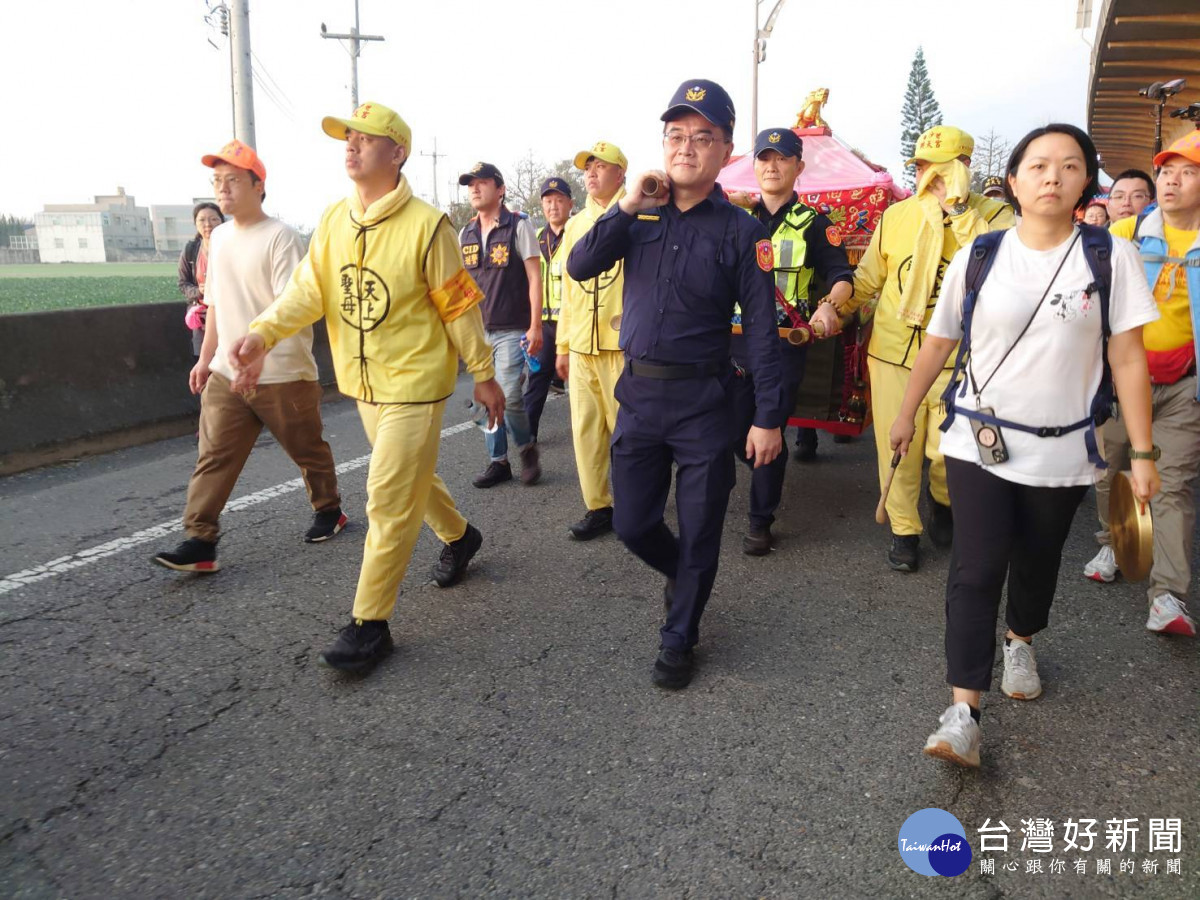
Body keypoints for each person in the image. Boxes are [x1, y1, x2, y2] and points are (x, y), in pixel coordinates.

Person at [889, 124, 1160, 768]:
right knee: (976, 566)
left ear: (1084, 182)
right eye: (1037, 165)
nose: (1052, 177)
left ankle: (1021, 637)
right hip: (977, 438)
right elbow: (939, 341)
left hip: (1066, 449)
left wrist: (1144, 455)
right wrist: (906, 413)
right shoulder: (980, 254)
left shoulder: (1109, 257)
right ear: (1012, 179)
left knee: (1037, 561)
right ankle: (963, 712)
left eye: (1070, 166)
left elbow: (1127, 359)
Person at [227, 102, 504, 673]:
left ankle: (369, 623)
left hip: (415, 383)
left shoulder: (429, 226)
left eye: (366, 138)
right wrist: (259, 335)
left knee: (386, 495)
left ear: (397, 152)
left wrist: (482, 372)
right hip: (365, 384)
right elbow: (308, 293)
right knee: (410, 476)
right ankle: (459, 536)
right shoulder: (333, 221)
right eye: (347, 138)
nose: (351, 146)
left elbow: (456, 306)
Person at [568, 79, 783, 690]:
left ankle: (679, 635)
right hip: (638, 397)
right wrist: (626, 205)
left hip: (704, 406)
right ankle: (684, 577)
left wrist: (768, 417)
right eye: (676, 136)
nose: (686, 147)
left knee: (701, 527)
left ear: (726, 148)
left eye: (702, 137)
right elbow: (581, 265)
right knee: (633, 523)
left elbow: (764, 333)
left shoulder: (743, 233)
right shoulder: (639, 215)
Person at [153, 141, 346, 574]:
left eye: (233, 180)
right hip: (226, 371)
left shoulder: (282, 237)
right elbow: (217, 305)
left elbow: (292, 306)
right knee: (214, 455)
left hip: (282, 373)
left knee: (308, 450)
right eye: (216, 182)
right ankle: (200, 540)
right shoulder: (217, 238)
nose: (222, 189)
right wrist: (206, 359)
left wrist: (260, 354)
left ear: (259, 186)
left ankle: (329, 509)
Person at [848, 125, 1015, 573]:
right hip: (893, 352)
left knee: (948, 452)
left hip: (962, 358)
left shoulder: (997, 218)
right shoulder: (898, 216)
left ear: (962, 168)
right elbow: (868, 280)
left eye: (936, 168)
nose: (927, 177)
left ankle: (944, 499)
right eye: (920, 167)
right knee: (897, 447)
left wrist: (959, 213)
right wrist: (835, 305)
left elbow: (1001, 272)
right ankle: (904, 529)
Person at [1084, 130, 1200, 637]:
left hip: (1183, 386)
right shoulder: (1124, 233)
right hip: (1119, 378)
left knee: (1170, 484)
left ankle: (1168, 596)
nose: (1172, 181)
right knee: (1109, 468)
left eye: (1188, 172)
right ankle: (1113, 540)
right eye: (1166, 172)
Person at [732, 127, 850, 554]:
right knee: (732, 427)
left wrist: (829, 306)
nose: (772, 166)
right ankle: (771, 457)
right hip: (734, 341)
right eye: (764, 158)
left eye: (781, 158)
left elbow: (841, 275)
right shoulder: (736, 221)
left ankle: (760, 519)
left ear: (799, 167)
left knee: (768, 423)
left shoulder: (815, 224)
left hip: (784, 343)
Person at [556, 140, 629, 541]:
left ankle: (636, 503)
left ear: (621, 172)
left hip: (623, 346)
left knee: (629, 433)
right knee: (585, 430)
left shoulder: (638, 214)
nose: (591, 173)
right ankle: (598, 505)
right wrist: (562, 345)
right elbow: (568, 289)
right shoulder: (576, 225)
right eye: (588, 167)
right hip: (583, 344)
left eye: (601, 166)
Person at [458, 162, 543, 488]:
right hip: (478, 331)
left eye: (482, 183)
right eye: (470, 185)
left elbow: (535, 279)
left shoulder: (519, 225)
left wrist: (535, 326)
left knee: (509, 394)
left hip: (512, 329)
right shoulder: (464, 233)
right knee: (484, 399)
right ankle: (498, 462)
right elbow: (459, 288)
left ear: (500, 188)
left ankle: (526, 448)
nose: (475, 189)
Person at [523, 177, 572, 443]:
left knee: (578, 382)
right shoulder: (535, 239)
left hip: (574, 322)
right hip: (543, 322)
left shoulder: (579, 233)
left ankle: (591, 438)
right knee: (538, 376)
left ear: (570, 203)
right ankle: (528, 437)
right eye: (548, 201)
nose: (553, 206)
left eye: (559, 200)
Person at [178, 202, 224, 357]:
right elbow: (183, 284)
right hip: (201, 317)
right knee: (203, 360)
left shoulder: (231, 247)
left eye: (214, 219)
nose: (208, 224)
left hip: (228, 314)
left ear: (222, 221)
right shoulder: (191, 250)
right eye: (202, 220)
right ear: (195, 224)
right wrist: (199, 291)